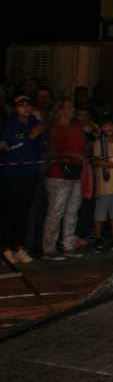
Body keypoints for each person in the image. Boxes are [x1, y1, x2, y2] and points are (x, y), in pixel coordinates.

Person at [43, 99, 88, 260]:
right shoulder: (55, 128)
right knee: (56, 211)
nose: (72, 109)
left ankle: (68, 245)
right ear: (60, 110)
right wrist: (70, 155)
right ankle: (49, 248)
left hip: (76, 172)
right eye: (68, 107)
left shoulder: (78, 127)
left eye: (72, 106)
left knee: (72, 210)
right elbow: (50, 153)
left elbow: (84, 148)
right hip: (59, 174)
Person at [1, 95, 43, 265]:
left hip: (30, 174)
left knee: (24, 212)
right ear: (15, 108)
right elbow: (7, 145)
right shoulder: (10, 125)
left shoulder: (36, 124)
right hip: (11, 175)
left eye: (28, 105)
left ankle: (19, 248)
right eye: (21, 105)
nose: (26, 108)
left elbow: (40, 146)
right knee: (9, 212)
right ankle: (5, 249)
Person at [89, 117, 113, 252]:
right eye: (106, 126)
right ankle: (98, 238)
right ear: (101, 129)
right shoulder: (98, 143)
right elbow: (96, 161)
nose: (109, 128)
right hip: (104, 184)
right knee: (100, 213)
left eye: (111, 125)